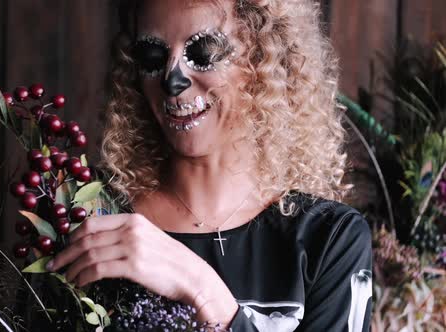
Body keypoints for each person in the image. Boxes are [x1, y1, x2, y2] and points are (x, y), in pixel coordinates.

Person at [47, 0, 373, 331]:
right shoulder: (91, 217)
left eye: (204, 52)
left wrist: (202, 289)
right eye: (152, 58)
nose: (172, 80)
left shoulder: (329, 239)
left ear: (261, 57)